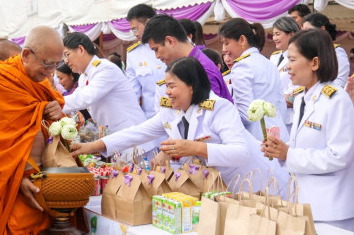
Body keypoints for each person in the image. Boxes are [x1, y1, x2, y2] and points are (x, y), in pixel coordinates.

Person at [70, 57, 289, 192]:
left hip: (252, 183)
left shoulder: (219, 108)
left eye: (172, 86)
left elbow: (241, 153)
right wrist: (94, 146)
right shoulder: (169, 110)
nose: (166, 92)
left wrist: (194, 148)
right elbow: (137, 132)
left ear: (192, 86)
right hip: (214, 187)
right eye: (166, 86)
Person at [0, 26, 67, 234]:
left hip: (44, 179)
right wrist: (19, 175)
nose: (51, 72)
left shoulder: (40, 82)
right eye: (47, 64)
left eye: (56, 64)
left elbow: (54, 123)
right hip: (8, 181)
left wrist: (54, 111)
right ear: (26, 54)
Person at [262, 29, 354, 231]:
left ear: (314, 63)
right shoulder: (302, 98)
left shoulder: (336, 100)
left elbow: (340, 156)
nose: (287, 67)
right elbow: (303, 145)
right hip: (304, 201)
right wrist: (281, 151)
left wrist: (290, 154)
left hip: (330, 209)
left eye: (292, 60)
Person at [61, 32, 156, 157]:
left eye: (67, 55)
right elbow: (76, 99)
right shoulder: (84, 77)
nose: (66, 61)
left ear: (80, 49)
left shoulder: (105, 69)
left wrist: (53, 104)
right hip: (116, 142)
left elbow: (84, 98)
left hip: (134, 143)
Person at [219, 18, 289, 142]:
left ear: (242, 40)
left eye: (226, 43)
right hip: (278, 133)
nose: (224, 49)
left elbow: (245, 115)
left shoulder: (241, 66)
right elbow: (281, 105)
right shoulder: (268, 63)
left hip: (257, 138)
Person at [143, 14, 233, 104]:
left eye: (156, 49)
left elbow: (209, 115)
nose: (157, 56)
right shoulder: (190, 65)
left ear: (170, 41)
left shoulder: (202, 70)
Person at [126, 4, 166, 119]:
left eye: (135, 29)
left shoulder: (170, 43)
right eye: (132, 30)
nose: (134, 34)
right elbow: (133, 93)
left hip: (177, 117)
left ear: (148, 23)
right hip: (150, 119)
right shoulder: (133, 54)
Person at [302, 13, 350, 88]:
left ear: (322, 29)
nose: (304, 35)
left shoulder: (336, 52)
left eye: (308, 30)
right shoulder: (309, 53)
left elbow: (339, 82)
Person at [270, 17, 300, 131]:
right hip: (274, 113)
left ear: (291, 34)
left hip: (290, 115)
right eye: (273, 34)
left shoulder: (299, 55)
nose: (274, 38)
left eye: (278, 34)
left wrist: (288, 97)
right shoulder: (274, 57)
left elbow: (298, 85)